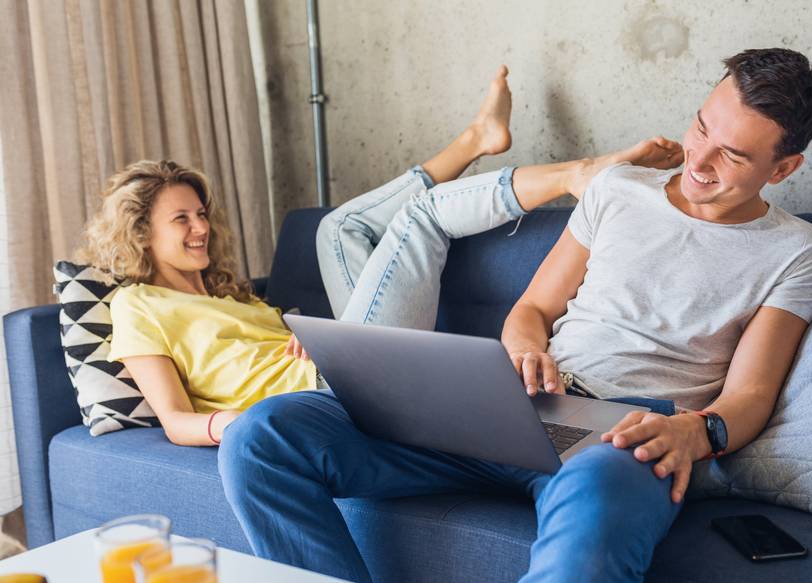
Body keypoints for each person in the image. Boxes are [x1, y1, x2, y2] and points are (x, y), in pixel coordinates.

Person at [218, 48, 812, 583]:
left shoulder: (797, 251)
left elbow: (751, 392)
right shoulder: (619, 190)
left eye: (731, 155)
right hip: (517, 401)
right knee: (264, 435)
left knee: (599, 501)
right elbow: (532, 310)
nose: (698, 161)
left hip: (623, 435)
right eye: (700, 130)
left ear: (782, 169)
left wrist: (697, 432)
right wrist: (523, 350)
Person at [76, 65, 680, 447]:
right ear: (140, 233)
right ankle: (577, 174)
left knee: (336, 231)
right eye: (180, 219)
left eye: (201, 214)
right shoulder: (136, 306)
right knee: (423, 217)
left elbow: (273, 352)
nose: (201, 228)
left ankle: (478, 141)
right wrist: (242, 425)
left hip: (341, 361)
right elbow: (177, 422)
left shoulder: (224, 293)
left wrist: (310, 333)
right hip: (329, 395)